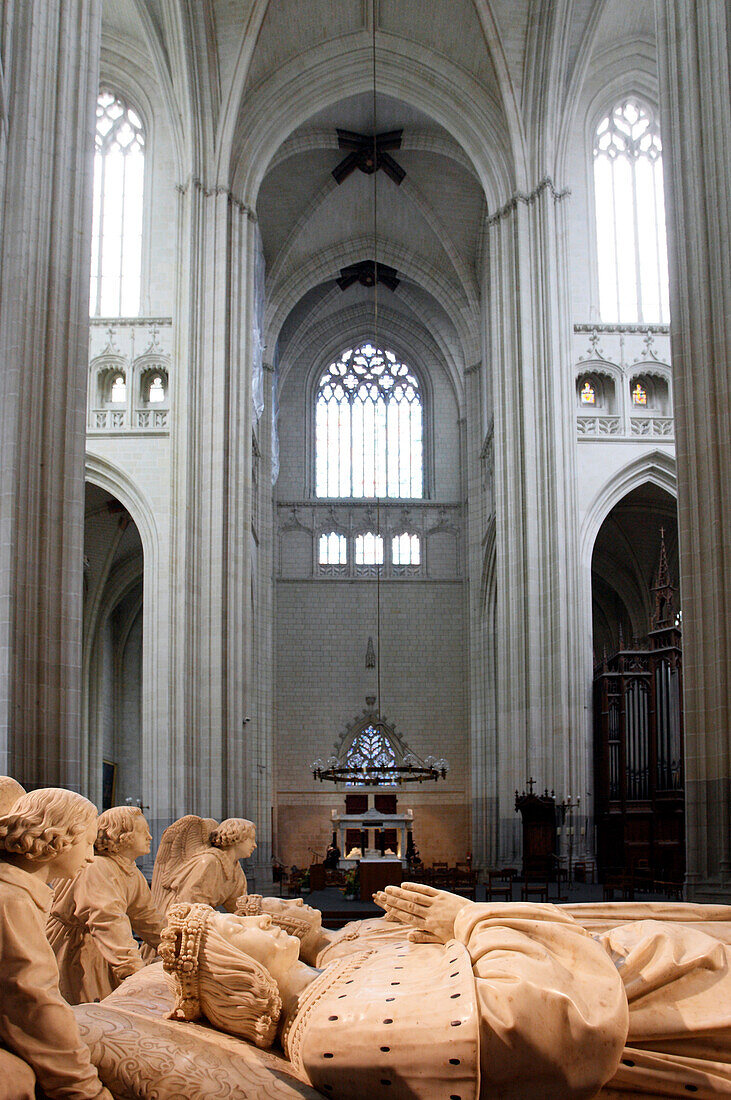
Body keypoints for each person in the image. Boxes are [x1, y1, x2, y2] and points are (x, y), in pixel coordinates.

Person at [160, 897, 628, 1099]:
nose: (265, 921)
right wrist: (470, 918)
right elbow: (550, 1034)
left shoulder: (328, 981)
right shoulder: (328, 1034)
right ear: (232, 970)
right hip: (628, 1016)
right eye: (238, 929)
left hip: (608, 969)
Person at [0, 787, 113, 1100]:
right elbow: (33, 1004)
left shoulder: (18, 892)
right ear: (57, 837)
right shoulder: (12, 901)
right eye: (88, 842)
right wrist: (84, 1088)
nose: (91, 856)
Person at [47, 805, 162, 1004]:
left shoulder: (130, 871)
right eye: (143, 832)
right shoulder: (99, 867)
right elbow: (106, 919)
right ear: (121, 835)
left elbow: (147, 918)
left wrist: (175, 946)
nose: (150, 837)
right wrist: (133, 969)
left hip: (106, 947)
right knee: (88, 1009)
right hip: (78, 948)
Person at [151, 814, 256, 920]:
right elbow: (189, 904)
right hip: (178, 918)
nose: (254, 845)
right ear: (236, 837)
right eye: (251, 839)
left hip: (202, 918)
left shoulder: (235, 869)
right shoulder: (208, 862)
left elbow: (238, 907)